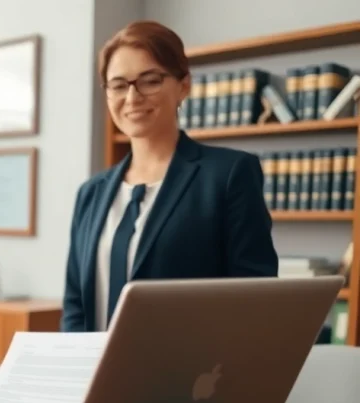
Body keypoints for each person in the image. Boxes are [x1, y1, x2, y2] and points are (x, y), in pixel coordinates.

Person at [61, 21, 278, 332]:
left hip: (186, 376)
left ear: (183, 86)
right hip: (92, 376)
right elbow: (75, 304)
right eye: (119, 85)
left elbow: (254, 299)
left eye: (150, 81)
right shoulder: (91, 193)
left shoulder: (229, 175)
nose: (132, 98)